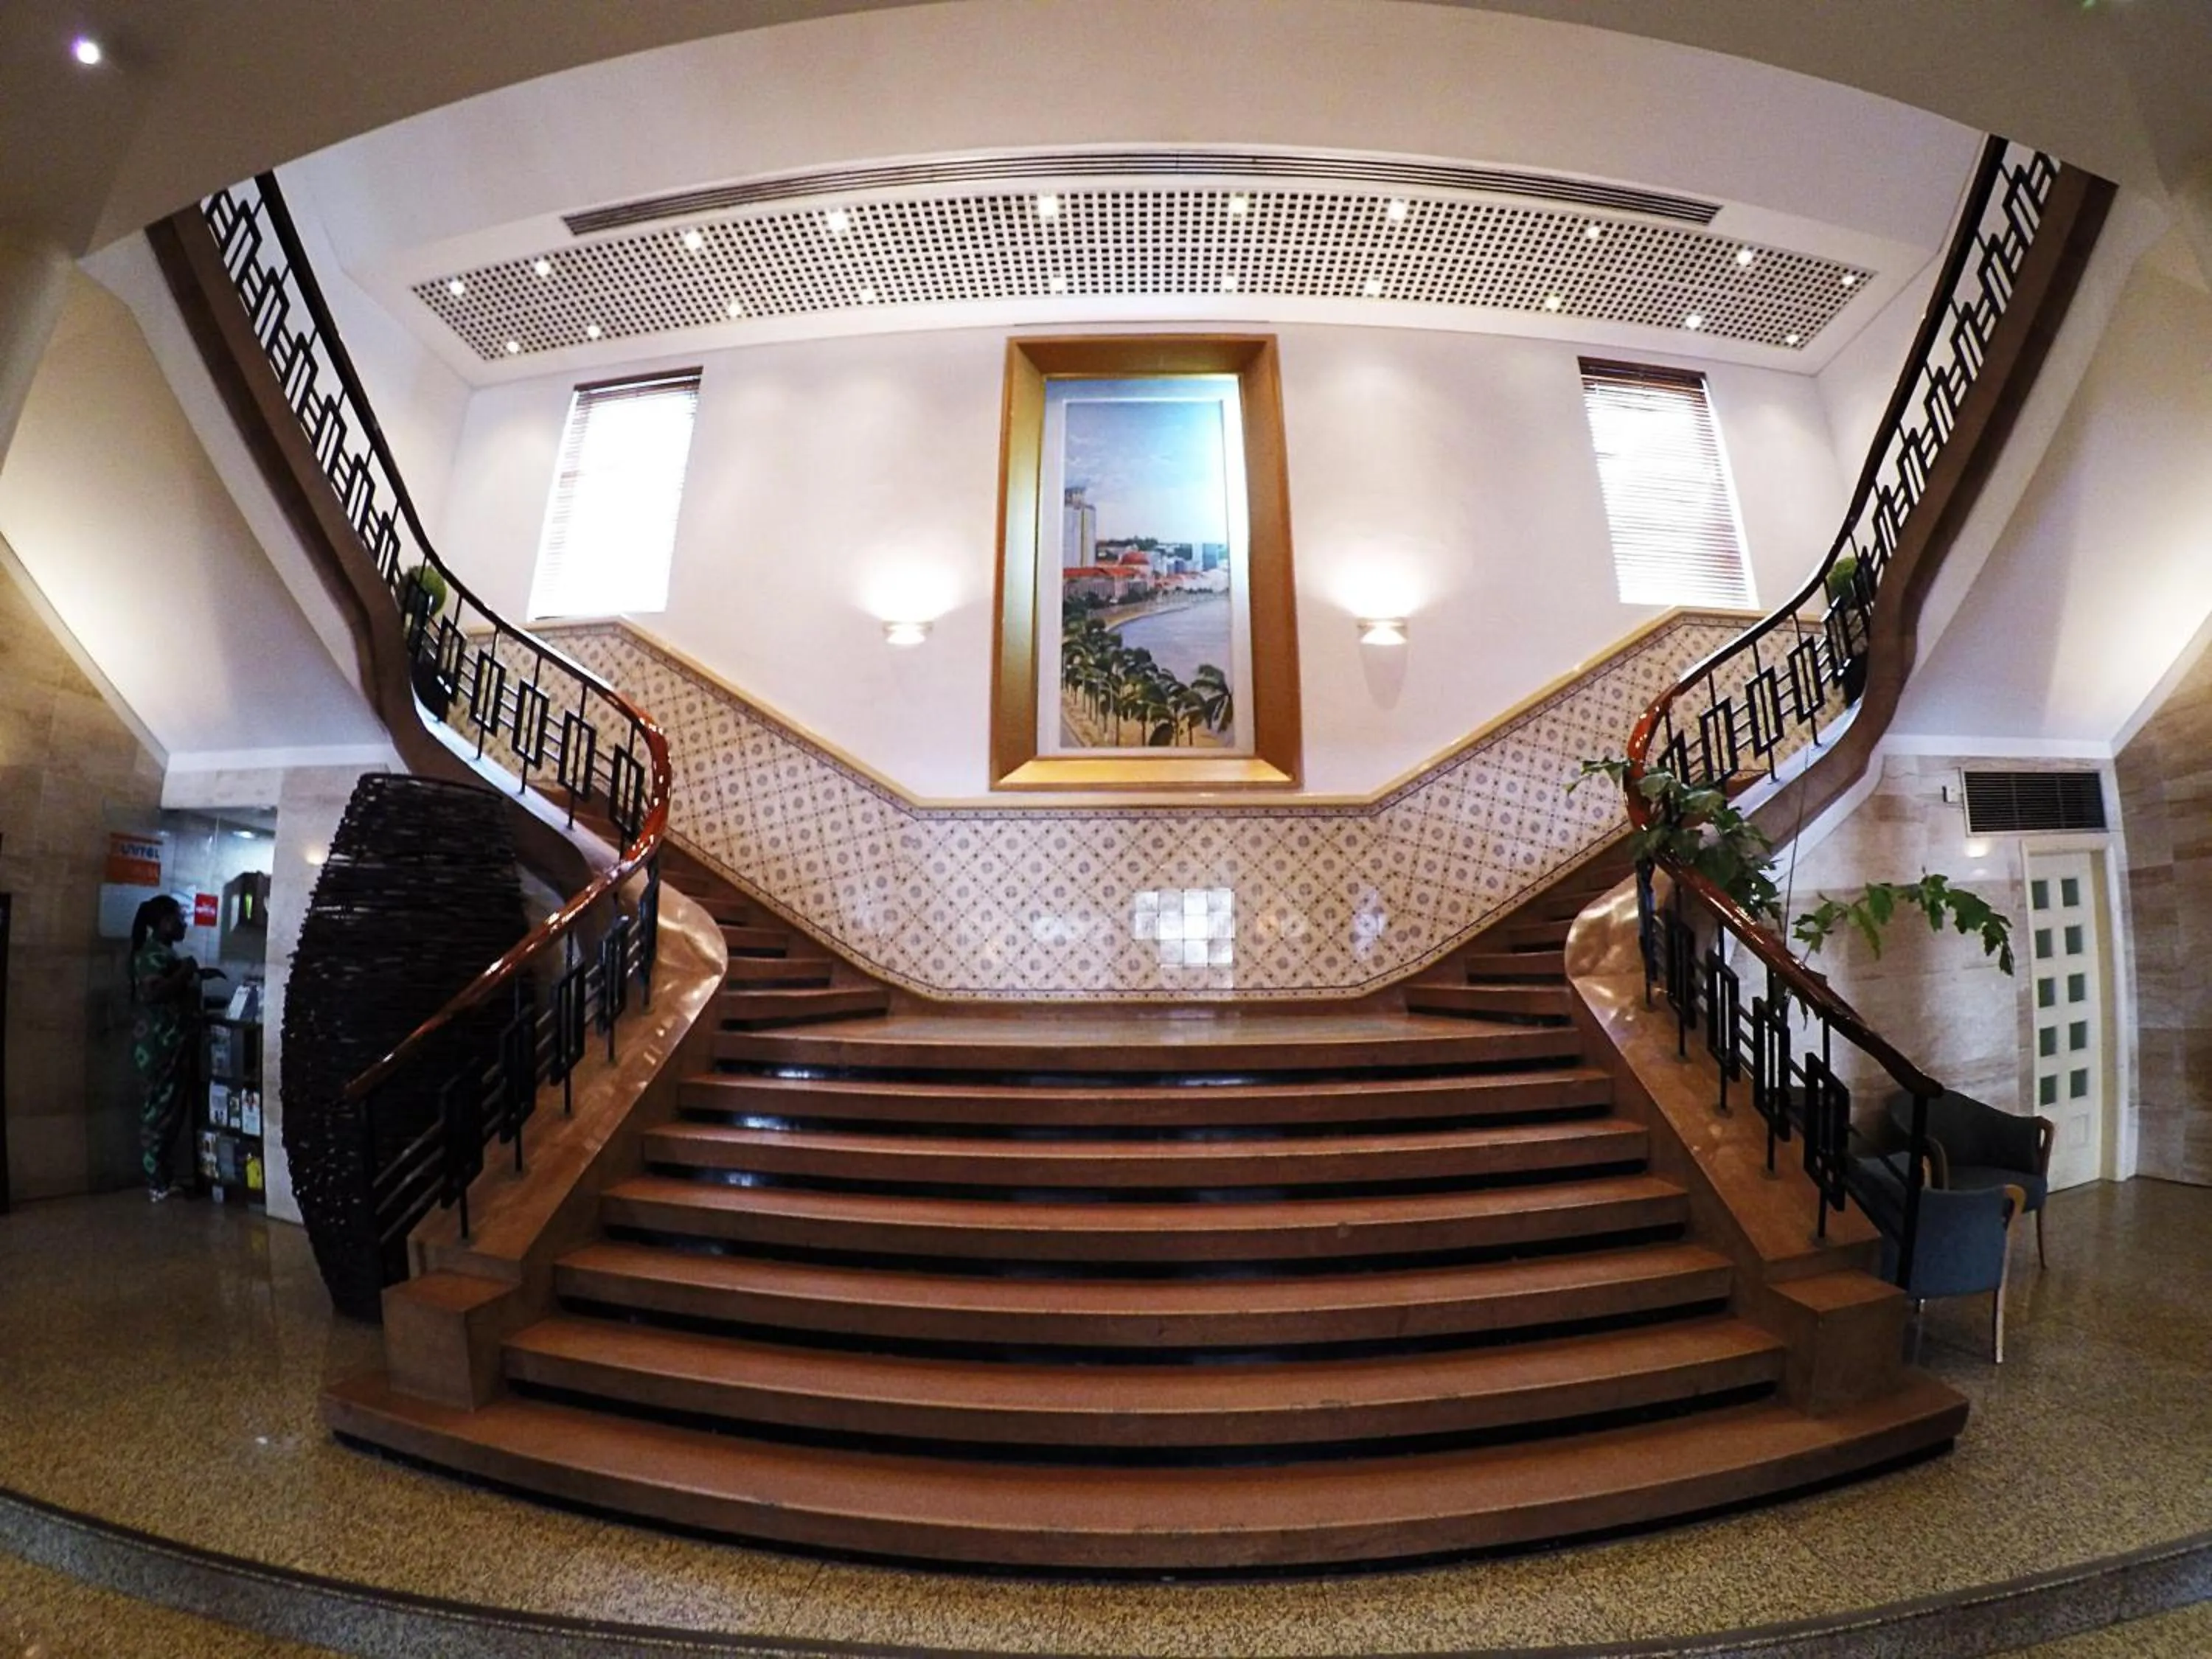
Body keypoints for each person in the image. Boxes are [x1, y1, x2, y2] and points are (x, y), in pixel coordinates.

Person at [130, 896, 209, 1201]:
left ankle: (163, 1178)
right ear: (165, 922)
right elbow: (154, 993)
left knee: (167, 1113)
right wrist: (185, 971)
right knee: (158, 1113)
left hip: (169, 1046)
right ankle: (157, 1183)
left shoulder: (164, 953)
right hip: (159, 1048)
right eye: (179, 918)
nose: (184, 924)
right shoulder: (152, 955)